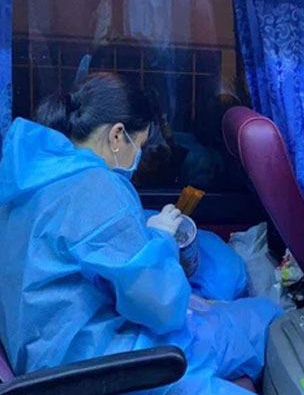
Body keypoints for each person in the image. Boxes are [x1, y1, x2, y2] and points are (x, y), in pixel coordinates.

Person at [0, 73, 281, 394]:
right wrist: (161, 240)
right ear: (117, 135)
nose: (139, 159)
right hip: (105, 364)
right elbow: (161, 308)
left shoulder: (29, 177)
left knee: (246, 319)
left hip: (50, 352)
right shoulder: (96, 186)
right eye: (141, 146)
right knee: (264, 320)